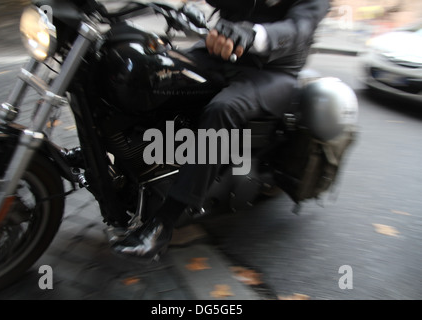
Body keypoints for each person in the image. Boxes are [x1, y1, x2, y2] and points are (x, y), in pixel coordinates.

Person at [112, 0, 331, 260]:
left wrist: (253, 33)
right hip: (218, 54)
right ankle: (143, 163)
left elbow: (299, 29)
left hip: (273, 70)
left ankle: (163, 224)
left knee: (223, 109)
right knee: (155, 73)